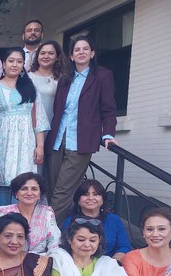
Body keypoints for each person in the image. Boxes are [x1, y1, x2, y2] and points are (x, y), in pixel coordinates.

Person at [46, 35, 118, 225]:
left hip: (81, 141)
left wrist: (108, 134)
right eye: (77, 50)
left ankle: (45, 232)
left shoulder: (102, 76)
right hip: (57, 139)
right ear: (71, 56)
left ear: (92, 53)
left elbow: (109, 109)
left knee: (62, 191)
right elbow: (58, 110)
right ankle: (64, 230)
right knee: (54, 188)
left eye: (85, 49)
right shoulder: (65, 80)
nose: (81, 52)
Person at [0, 47, 49, 205]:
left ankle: (22, 223)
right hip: (2, 141)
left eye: (19, 61)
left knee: (24, 183)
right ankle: (2, 222)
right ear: (3, 64)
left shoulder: (30, 88)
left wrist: (40, 146)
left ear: (23, 64)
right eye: (11, 61)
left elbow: (39, 119)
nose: (14, 65)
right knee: (3, 183)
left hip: (26, 143)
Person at [0, 172, 60, 254]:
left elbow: (54, 243)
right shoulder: (3, 213)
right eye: (24, 189)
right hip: (9, 259)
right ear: (16, 193)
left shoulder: (47, 213)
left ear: (39, 194)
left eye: (34, 189)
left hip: (40, 261)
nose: (29, 193)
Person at [62, 179, 131, 260]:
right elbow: (65, 248)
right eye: (86, 194)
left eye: (95, 194)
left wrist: (113, 262)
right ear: (78, 200)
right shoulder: (70, 221)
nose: (91, 198)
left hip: (110, 265)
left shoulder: (114, 220)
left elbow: (124, 247)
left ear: (103, 199)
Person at [29, 40, 67, 126]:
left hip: (54, 126)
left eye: (51, 53)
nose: (46, 56)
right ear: (37, 56)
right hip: (30, 127)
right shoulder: (28, 78)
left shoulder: (62, 80)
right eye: (42, 53)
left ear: (57, 57)